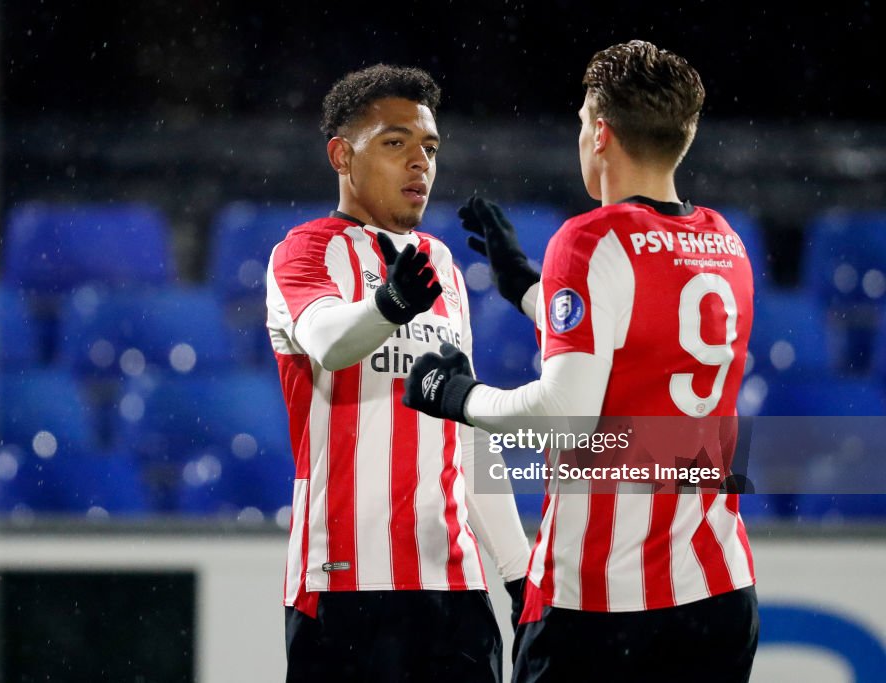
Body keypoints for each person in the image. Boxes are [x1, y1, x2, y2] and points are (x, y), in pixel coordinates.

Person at [402, 41, 759, 682]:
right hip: (716, 592)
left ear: (600, 133)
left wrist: (456, 394)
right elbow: (644, 338)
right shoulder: (725, 244)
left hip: (600, 602)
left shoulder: (593, 238)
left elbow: (563, 415)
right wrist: (527, 288)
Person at [265, 64, 531, 683]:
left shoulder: (442, 267)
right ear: (341, 155)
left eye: (429, 148)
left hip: (455, 591)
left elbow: (466, 437)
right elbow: (329, 342)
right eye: (395, 143)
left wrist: (519, 572)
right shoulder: (304, 252)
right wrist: (389, 304)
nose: (420, 163)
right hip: (343, 585)